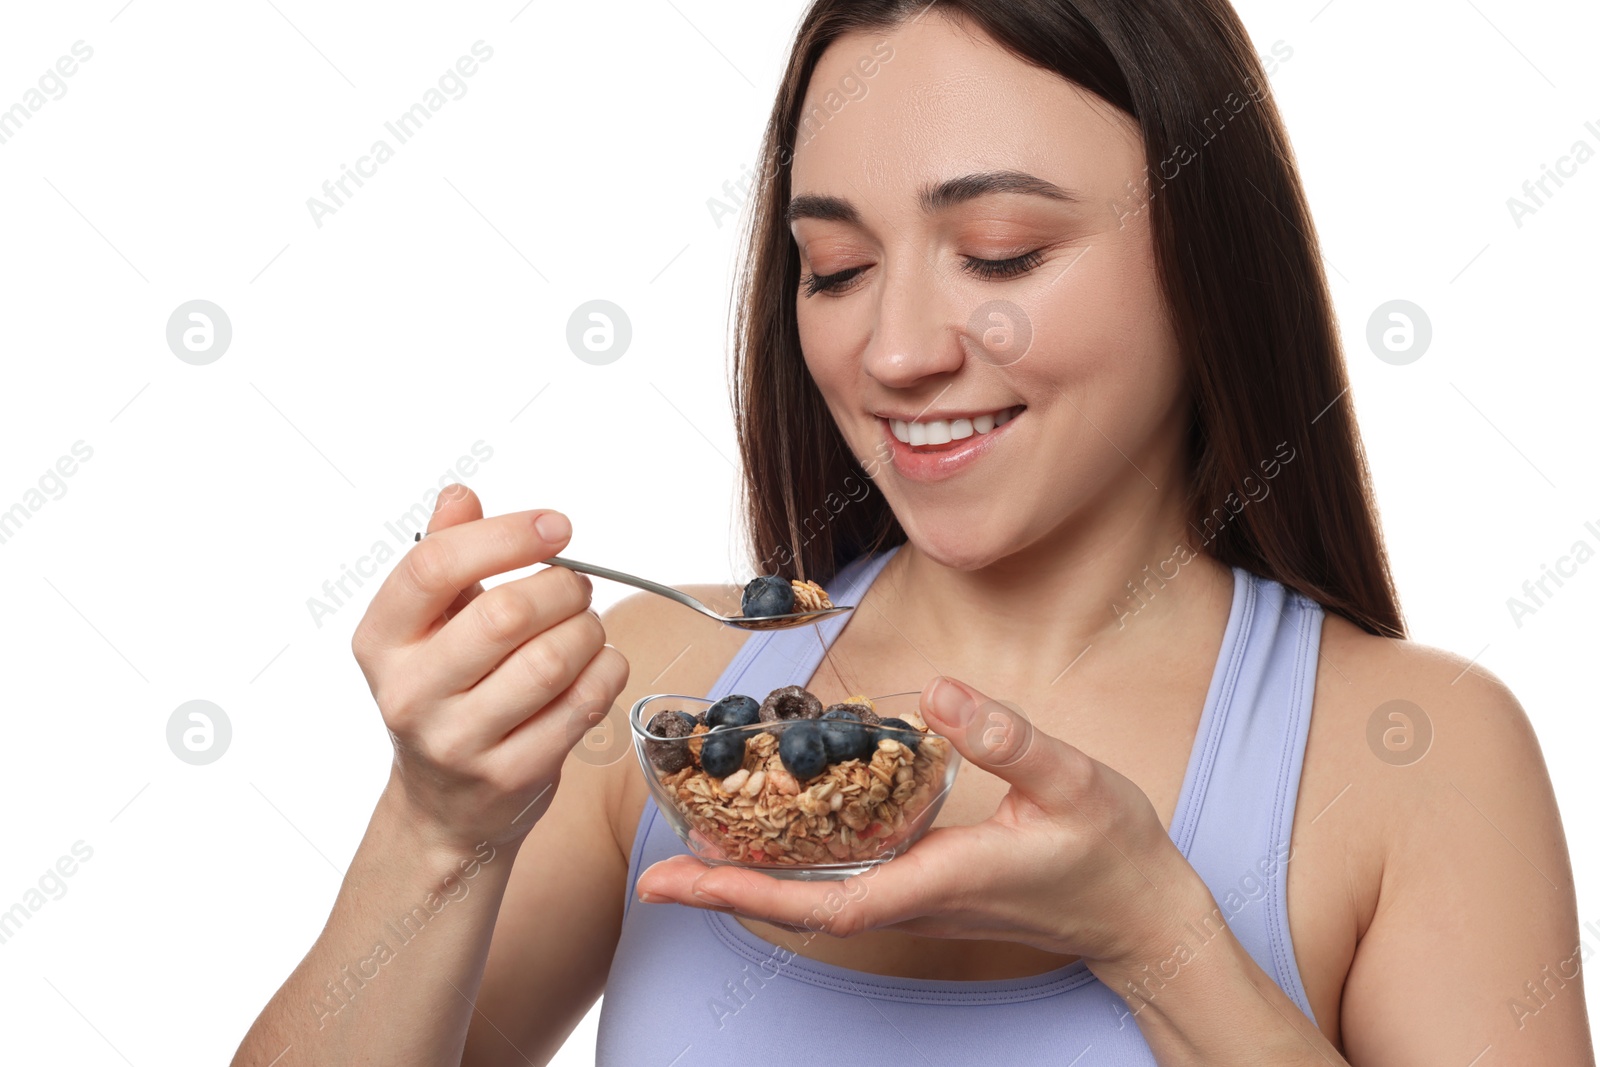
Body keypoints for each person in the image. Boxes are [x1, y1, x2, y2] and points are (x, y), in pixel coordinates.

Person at [233, 2, 1595, 1064]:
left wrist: (1159, 937)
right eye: (834, 268)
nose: (892, 350)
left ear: (1208, 246)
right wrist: (438, 825)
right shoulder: (661, 692)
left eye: (1000, 252)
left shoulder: (1415, 756)